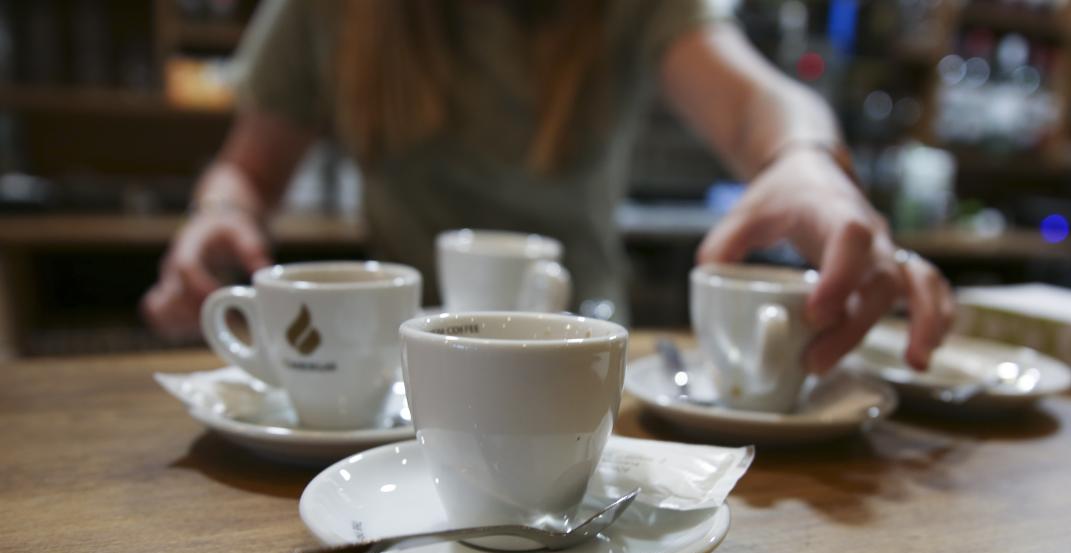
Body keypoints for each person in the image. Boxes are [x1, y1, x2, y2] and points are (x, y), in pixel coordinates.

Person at [142, 0, 954, 375]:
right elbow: (247, 169)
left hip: (595, 366)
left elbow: (755, 104)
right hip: (396, 378)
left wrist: (806, 163)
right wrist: (220, 215)